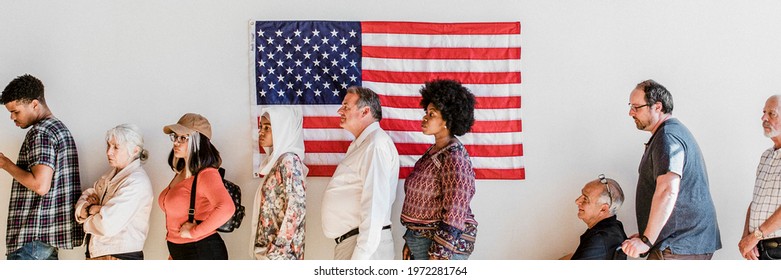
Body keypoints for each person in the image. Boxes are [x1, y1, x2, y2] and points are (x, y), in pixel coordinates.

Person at [621, 79, 721, 260]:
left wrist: (647, 240)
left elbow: (668, 190)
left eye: (636, 107)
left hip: (680, 244)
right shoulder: (669, 133)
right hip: (680, 243)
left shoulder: (668, 137)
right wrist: (648, 235)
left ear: (657, 107)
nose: (630, 112)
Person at [0, 74, 84, 260]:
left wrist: (5, 164)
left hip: (31, 240)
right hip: (45, 240)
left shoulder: (41, 133)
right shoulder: (58, 129)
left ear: (34, 104)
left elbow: (40, 185)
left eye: (16, 111)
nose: (12, 117)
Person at [400, 79, 478, 260]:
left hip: (440, 247)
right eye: (426, 112)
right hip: (421, 241)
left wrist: (440, 253)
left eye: (432, 114)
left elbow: (455, 208)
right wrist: (411, 241)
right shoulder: (434, 152)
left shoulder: (454, 157)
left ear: (447, 119)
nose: (424, 118)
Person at [321, 86, 400, 260]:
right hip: (354, 243)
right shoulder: (363, 145)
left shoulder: (375, 146)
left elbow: (374, 204)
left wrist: (360, 258)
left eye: (346, 106)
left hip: (365, 248)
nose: (340, 110)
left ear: (365, 111)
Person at [159, 113, 235, 260]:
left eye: (183, 138)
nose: (176, 142)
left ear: (197, 140)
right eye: (175, 137)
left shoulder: (207, 175)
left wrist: (194, 232)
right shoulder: (181, 173)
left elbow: (227, 208)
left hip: (201, 251)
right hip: (181, 251)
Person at [76, 124, 153, 260]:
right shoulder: (108, 176)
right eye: (108, 145)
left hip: (118, 258)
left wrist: (87, 213)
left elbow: (107, 225)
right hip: (100, 255)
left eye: (116, 147)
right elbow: (85, 198)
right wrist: (93, 210)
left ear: (135, 151)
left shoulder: (136, 182)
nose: (108, 152)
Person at [251, 107, 308, 260]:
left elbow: (296, 208)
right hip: (269, 253)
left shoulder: (289, 162)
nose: (261, 132)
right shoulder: (278, 162)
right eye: (261, 127)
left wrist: (277, 250)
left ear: (281, 129)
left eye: (267, 127)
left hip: (280, 256)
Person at [739, 95, 781, 260]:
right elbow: (755, 201)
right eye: (764, 112)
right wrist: (746, 239)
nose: (764, 118)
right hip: (759, 249)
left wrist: (755, 236)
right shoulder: (766, 156)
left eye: (772, 113)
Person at [562, 174, 627, 260]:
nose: (577, 201)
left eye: (585, 199)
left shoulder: (599, 239)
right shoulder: (614, 227)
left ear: (603, 209)